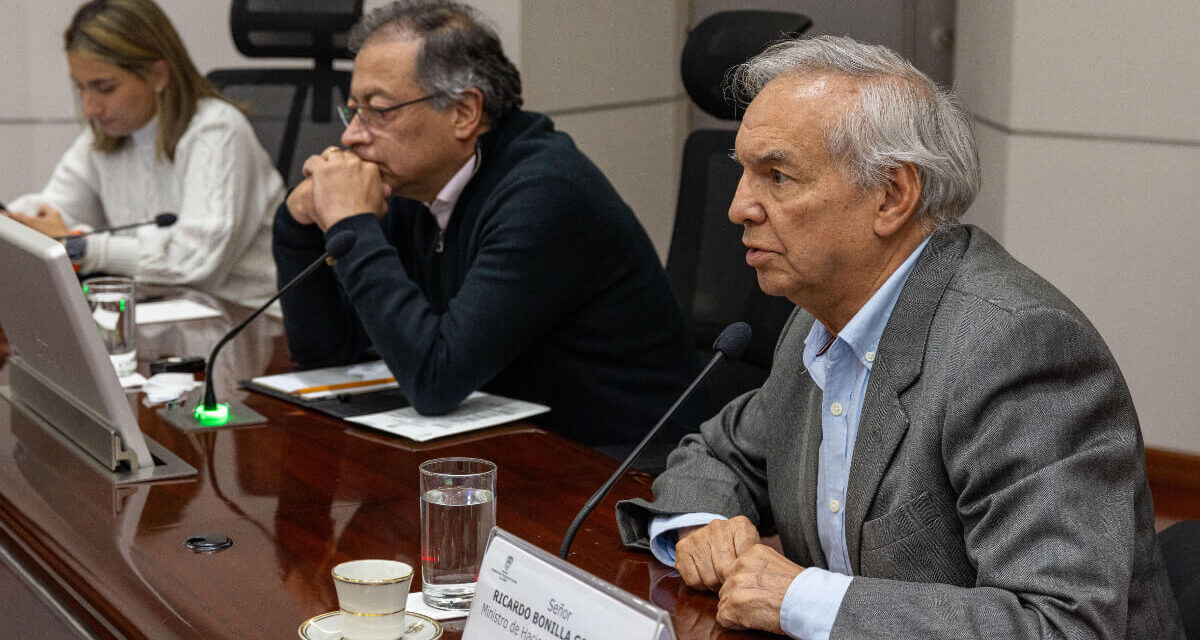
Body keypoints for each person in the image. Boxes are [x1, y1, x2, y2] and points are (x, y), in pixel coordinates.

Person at [615, 35, 1184, 639]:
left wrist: (801, 597)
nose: (738, 207)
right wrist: (704, 524)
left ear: (891, 196)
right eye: (744, 173)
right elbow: (719, 452)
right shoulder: (819, 319)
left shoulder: (1014, 349)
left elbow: (1062, 626)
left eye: (777, 175)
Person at [272, 0, 703, 465]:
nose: (354, 136)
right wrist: (298, 225)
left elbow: (436, 379)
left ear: (463, 112)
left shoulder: (544, 195)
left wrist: (352, 225)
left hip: (619, 467)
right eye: (353, 112)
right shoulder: (413, 186)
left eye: (378, 112)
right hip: (509, 446)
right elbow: (331, 359)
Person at [2, 0, 282, 309]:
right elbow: (54, 212)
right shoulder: (107, 138)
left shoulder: (218, 131)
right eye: (80, 88)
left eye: (104, 87)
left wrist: (83, 247)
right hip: (162, 313)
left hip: (247, 323)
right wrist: (15, 223)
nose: (90, 108)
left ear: (158, 75)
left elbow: (197, 261)